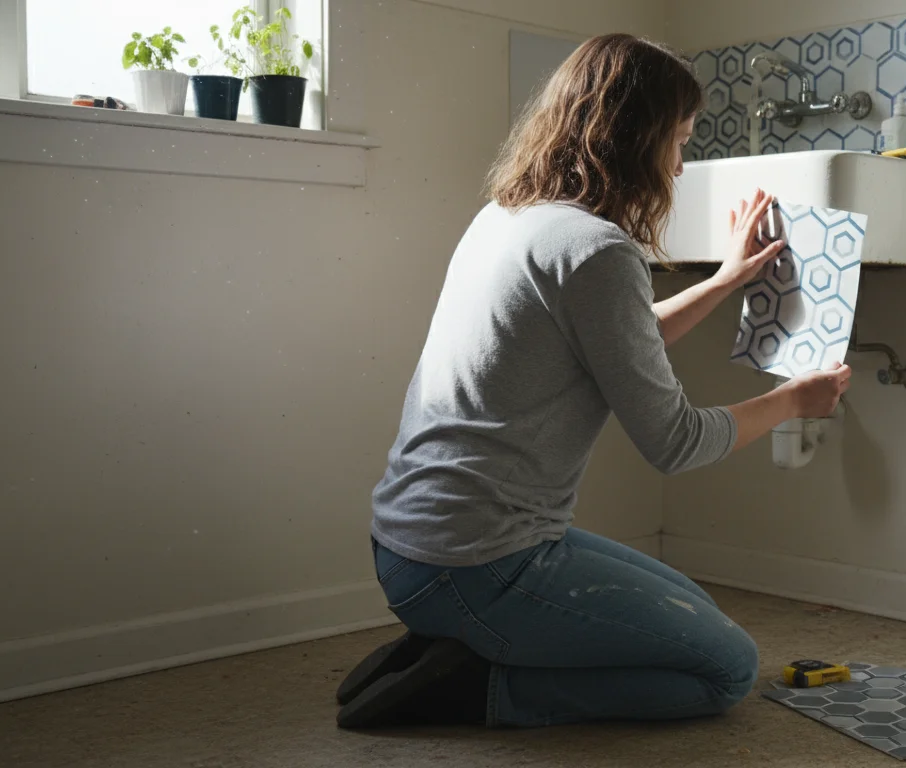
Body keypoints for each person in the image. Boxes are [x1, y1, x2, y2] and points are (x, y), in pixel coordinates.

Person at [335, 33, 852, 730]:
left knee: (692, 611)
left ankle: (447, 642)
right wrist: (794, 400)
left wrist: (726, 280)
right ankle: (473, 686)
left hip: (412, 547)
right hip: (479, 565)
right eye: (678, 139)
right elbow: (675, 443)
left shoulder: (511, 218)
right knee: (725, 668)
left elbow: (612, 343)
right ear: (637, 139)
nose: (678, 162)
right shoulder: (599, 252)